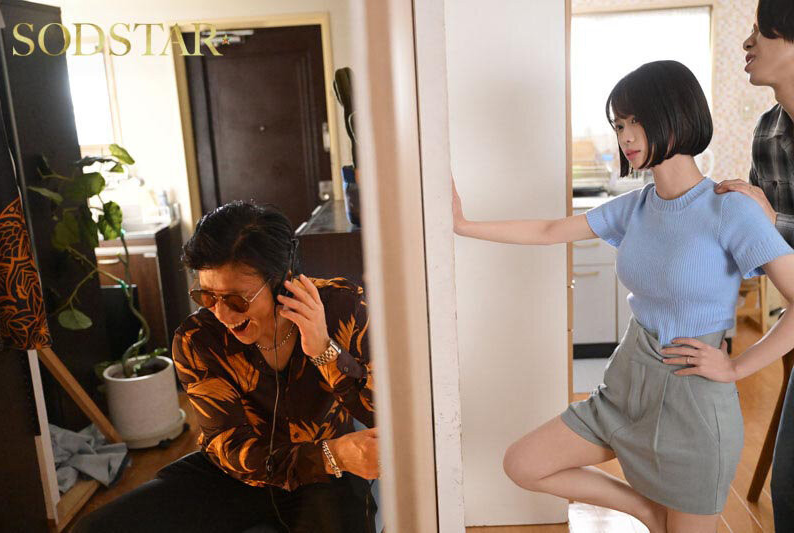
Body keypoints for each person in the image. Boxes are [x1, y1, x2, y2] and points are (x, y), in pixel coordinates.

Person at [453, 60, 794, 533]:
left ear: (676, 115)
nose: (626, 136)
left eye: (637, 121)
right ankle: (644, 511)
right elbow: (550, 229)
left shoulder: (731, 208)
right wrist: (463, 225)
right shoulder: (635, 207)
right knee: (523, 462)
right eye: (619, 125)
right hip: (627, 385)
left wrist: (736, 368)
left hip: (695, 405)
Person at [74, 201, 378, 533]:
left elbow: (378, 412)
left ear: (282, 282)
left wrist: (323, 350)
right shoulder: (197, 339)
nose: (221, 314)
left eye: (236, 299)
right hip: (241, 473)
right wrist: (332, 454)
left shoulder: (341, 305)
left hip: (326, 477)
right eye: (207, 296)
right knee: (96, 529)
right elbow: (233, 449)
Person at [712, 1, 794, 527]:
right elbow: (758, 250)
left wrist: (767, 220)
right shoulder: (767, 132)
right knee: (788, 494)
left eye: (761, 31)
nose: (747, 43)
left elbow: (766, 229)